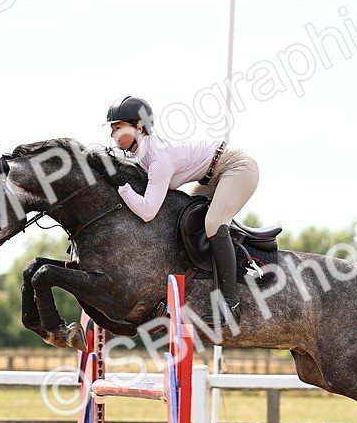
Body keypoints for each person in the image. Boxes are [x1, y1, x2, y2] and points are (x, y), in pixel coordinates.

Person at [102, 95, 259, 325]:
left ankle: (231, 305)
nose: (112, 135)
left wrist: (121, 187)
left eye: (118, 128)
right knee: (185, 216)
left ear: (138, 128)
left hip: (238, 168)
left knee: (213, 223)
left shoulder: (158, 159)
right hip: (212, 175)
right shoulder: (144, 153)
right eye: (111, 129)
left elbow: (147, 212)